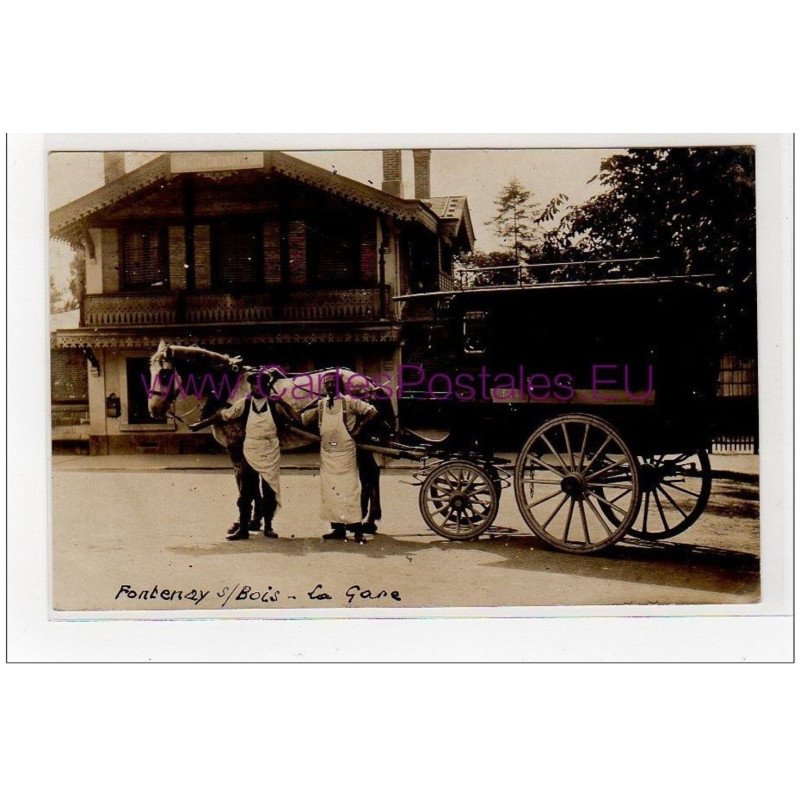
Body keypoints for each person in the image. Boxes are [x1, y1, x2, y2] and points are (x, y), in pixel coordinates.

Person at [190, 369, 295, 541]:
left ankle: (268, 527)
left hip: (270, 451)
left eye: (259, 385)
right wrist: (200, 424)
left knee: (269, 490)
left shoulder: (275, 405)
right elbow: (223, 415)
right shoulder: (244, 403)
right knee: (245, 491)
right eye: (253, 385)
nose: (255, 388)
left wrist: (283, 403)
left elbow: (295, 419)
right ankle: (243, 529)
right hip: (250, 450)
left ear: (266, 387)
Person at [301, 373, 377, 544]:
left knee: (349, 490)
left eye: (332, 383)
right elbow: (303, 419)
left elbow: (371, 411)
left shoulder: (349, 401)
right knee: (330, 491)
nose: (329, 386)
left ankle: (357, 530)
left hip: (345, 452)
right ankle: (338, 529)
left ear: (339, 385)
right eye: (326, 384)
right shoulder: (321, 405)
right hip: (327, 453)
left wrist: (358, 429)